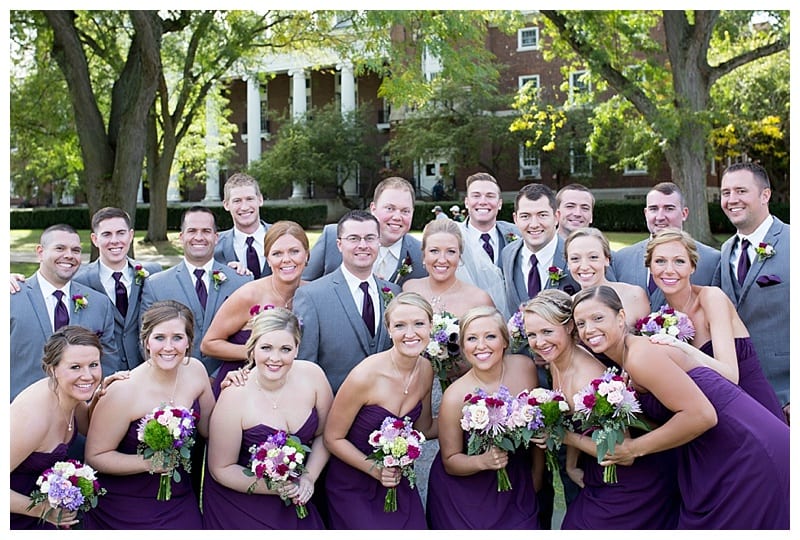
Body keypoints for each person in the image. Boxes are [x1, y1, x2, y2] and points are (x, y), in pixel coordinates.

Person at [572, 285, 789, 529]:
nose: (589, 330)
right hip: (716, 452)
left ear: (621, 317)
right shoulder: (627, 364)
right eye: (580, 324)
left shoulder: (640, 356)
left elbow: (702, 415)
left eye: (597, 318)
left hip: (746, 448)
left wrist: (633, 448)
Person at [522, 291, 680, 529]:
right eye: (532, 335)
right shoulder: (556, 361)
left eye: (547, 331)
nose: (539, 342)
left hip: (633, 477)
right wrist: (571, 465)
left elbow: (618, 450)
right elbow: (576, 418)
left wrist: (564, 438)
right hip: (599, 470)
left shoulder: (589, 377)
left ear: (568, 327)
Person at [83, 300, 215, 529]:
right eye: (159, 338)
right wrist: (148, 463)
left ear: (189, 342)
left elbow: (209, 428)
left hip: (179, 497)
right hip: (125, 505)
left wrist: (237, 387)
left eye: (177, 337)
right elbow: (96, 456)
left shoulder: (195, 371)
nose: (168, 347)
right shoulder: (123, 391)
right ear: (146, 342)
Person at [202, 307, 333, 529]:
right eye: (266, 348)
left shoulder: (314, 376)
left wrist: (308, 478)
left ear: (297, 349)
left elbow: (325, 435)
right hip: (243, 501)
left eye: (285, 349)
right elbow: (221, 469)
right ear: (252, 350)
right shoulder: (234, 395)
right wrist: (276, 487)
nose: (275, 358)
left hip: (296, 494)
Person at [323, 292, 437, 529]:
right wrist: (375, 469)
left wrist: (468, 417)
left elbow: (423, 428)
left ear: (431, 326)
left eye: (419, 324)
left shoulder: (426, 370)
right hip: (353, 484)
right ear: (388, 330)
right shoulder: (365, 376)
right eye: (400, 325)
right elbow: (332, 438)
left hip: (399, 481)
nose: (410, 333)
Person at [647, 229, 785, 421]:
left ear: (692, 267)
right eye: (660, 261)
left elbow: (730, 376)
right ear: (650, 267)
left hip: (755, 411)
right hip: (712, 418)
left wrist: (680, 347)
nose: (669, 269)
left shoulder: (711, 298)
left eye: (679, 261)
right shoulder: (659, 319)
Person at [426, 306, 540, 529]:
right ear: (463, 347)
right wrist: (482, 461)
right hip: (466, 496)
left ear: (505, 341)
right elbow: (450, 461)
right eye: (471, 338)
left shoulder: (525, 368)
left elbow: (536, 429)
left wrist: (536, 475)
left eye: (490, 336)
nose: (481, 346)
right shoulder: (455, 395)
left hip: (517, 481)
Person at [10, 326, 118, 529]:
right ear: (53, 369)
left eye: (93, 365)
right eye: (75, 367)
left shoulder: (70, 396)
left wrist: (107, 393)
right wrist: (43, 510)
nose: (87, 375)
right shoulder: (33, 416)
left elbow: (87, 426)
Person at [142, 206, 252, 387]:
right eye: (192, 231)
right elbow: (146, 340)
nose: (199, 237)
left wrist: (218, 376)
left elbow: (249, 336)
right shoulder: (156, 285)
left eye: (206, 231)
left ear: (216, 238)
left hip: (230, 380)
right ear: (181, 236)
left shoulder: (241, 281)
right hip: (175, 382)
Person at [293, 210, 401, 394]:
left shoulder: (394, 292)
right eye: (353, 238)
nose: (363, 245)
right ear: (339, 244)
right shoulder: (311, 296)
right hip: (333, 408)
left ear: (379, 242)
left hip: (387, 407)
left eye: (370, 238)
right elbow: (305, 366)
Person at [714, 162, 790, 420]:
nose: (732, 200)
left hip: (785, 392)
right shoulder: (726, 251)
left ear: (765, 195)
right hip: (741, 395)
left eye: (741, 191)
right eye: (726, 193)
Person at [10, 224, 119, 401]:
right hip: (20, 413)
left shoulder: (100, 304)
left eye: (76, 250)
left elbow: (108, 364)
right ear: (40, 252)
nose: (69, 255)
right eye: (60, 248)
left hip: (80, 417)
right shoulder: (12, 297)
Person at [201, 221, 310, 397]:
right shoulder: (249, 295)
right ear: (268, 258)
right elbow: (209, 344)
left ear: (307, 255)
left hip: (295, 389)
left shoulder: (313, 294)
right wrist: (260, 351)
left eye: (294, 251)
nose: (286, 259)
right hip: (242, 385)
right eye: (277, 253)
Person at [73, 207, 162, 370]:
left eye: (121, 233)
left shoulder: (153, 274)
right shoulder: (78, 281)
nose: (115, 240)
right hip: (101, 376)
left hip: (145, 372)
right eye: (106, 234)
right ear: (94, 239)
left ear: (131, 235)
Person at [612, 181, 720, 309]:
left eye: (669, 208)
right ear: (646, 213)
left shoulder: (712, 260)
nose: (660, 216)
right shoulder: (621, 259)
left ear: (684, 213)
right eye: (654, 209)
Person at [303, 177, 427, 285]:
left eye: (405, 211)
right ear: (373, 208)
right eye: (390, 208)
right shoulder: (332, 237)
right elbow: (303, 283)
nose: (397, 217)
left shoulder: (421, 254)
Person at [501, 183, 581, 317]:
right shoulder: (508, 254)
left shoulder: (576, 254)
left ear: (556, 217)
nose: (534, 224)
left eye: (542, 215)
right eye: (525, 216)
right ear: (515, 219)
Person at [455, 172, 520, 318]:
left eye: (490, 196)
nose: (483, 201)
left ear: (500, 203)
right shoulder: (452, 238)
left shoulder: (518, 235)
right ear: (466, 202)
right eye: (476, 196)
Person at [403, 219, 494, 317]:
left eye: (451, 251)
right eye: (434, 251)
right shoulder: (408, 289)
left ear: (459, 257)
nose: (442, 260)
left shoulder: (479, 300)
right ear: (424, 255)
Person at [565, 227, 650, 328]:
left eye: (593, 257)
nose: (584, 266)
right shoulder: (567, 307)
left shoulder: (634, 296)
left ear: (607, 260)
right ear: (568, 264)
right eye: (575, 259)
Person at [214, 172, 272, 278]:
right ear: (226, 205)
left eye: (249, 199)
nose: (244, 207)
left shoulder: (282, 236)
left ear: (260, 200)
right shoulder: (214, 245)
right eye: (237, 201)